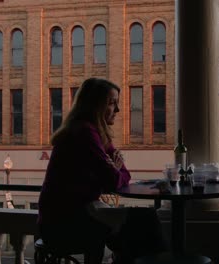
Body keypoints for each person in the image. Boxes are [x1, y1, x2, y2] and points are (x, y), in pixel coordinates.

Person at [37, 77, 167, 264]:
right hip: (64, 221)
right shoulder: (84, 132)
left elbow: (123, 175)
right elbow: (114, 180)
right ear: (95, 105)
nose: (118, 110)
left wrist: (114, 169)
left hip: (74, 213)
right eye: (112, 103)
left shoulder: (96, 133)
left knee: (139, 224)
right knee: (143, 221)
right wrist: (114, 169)